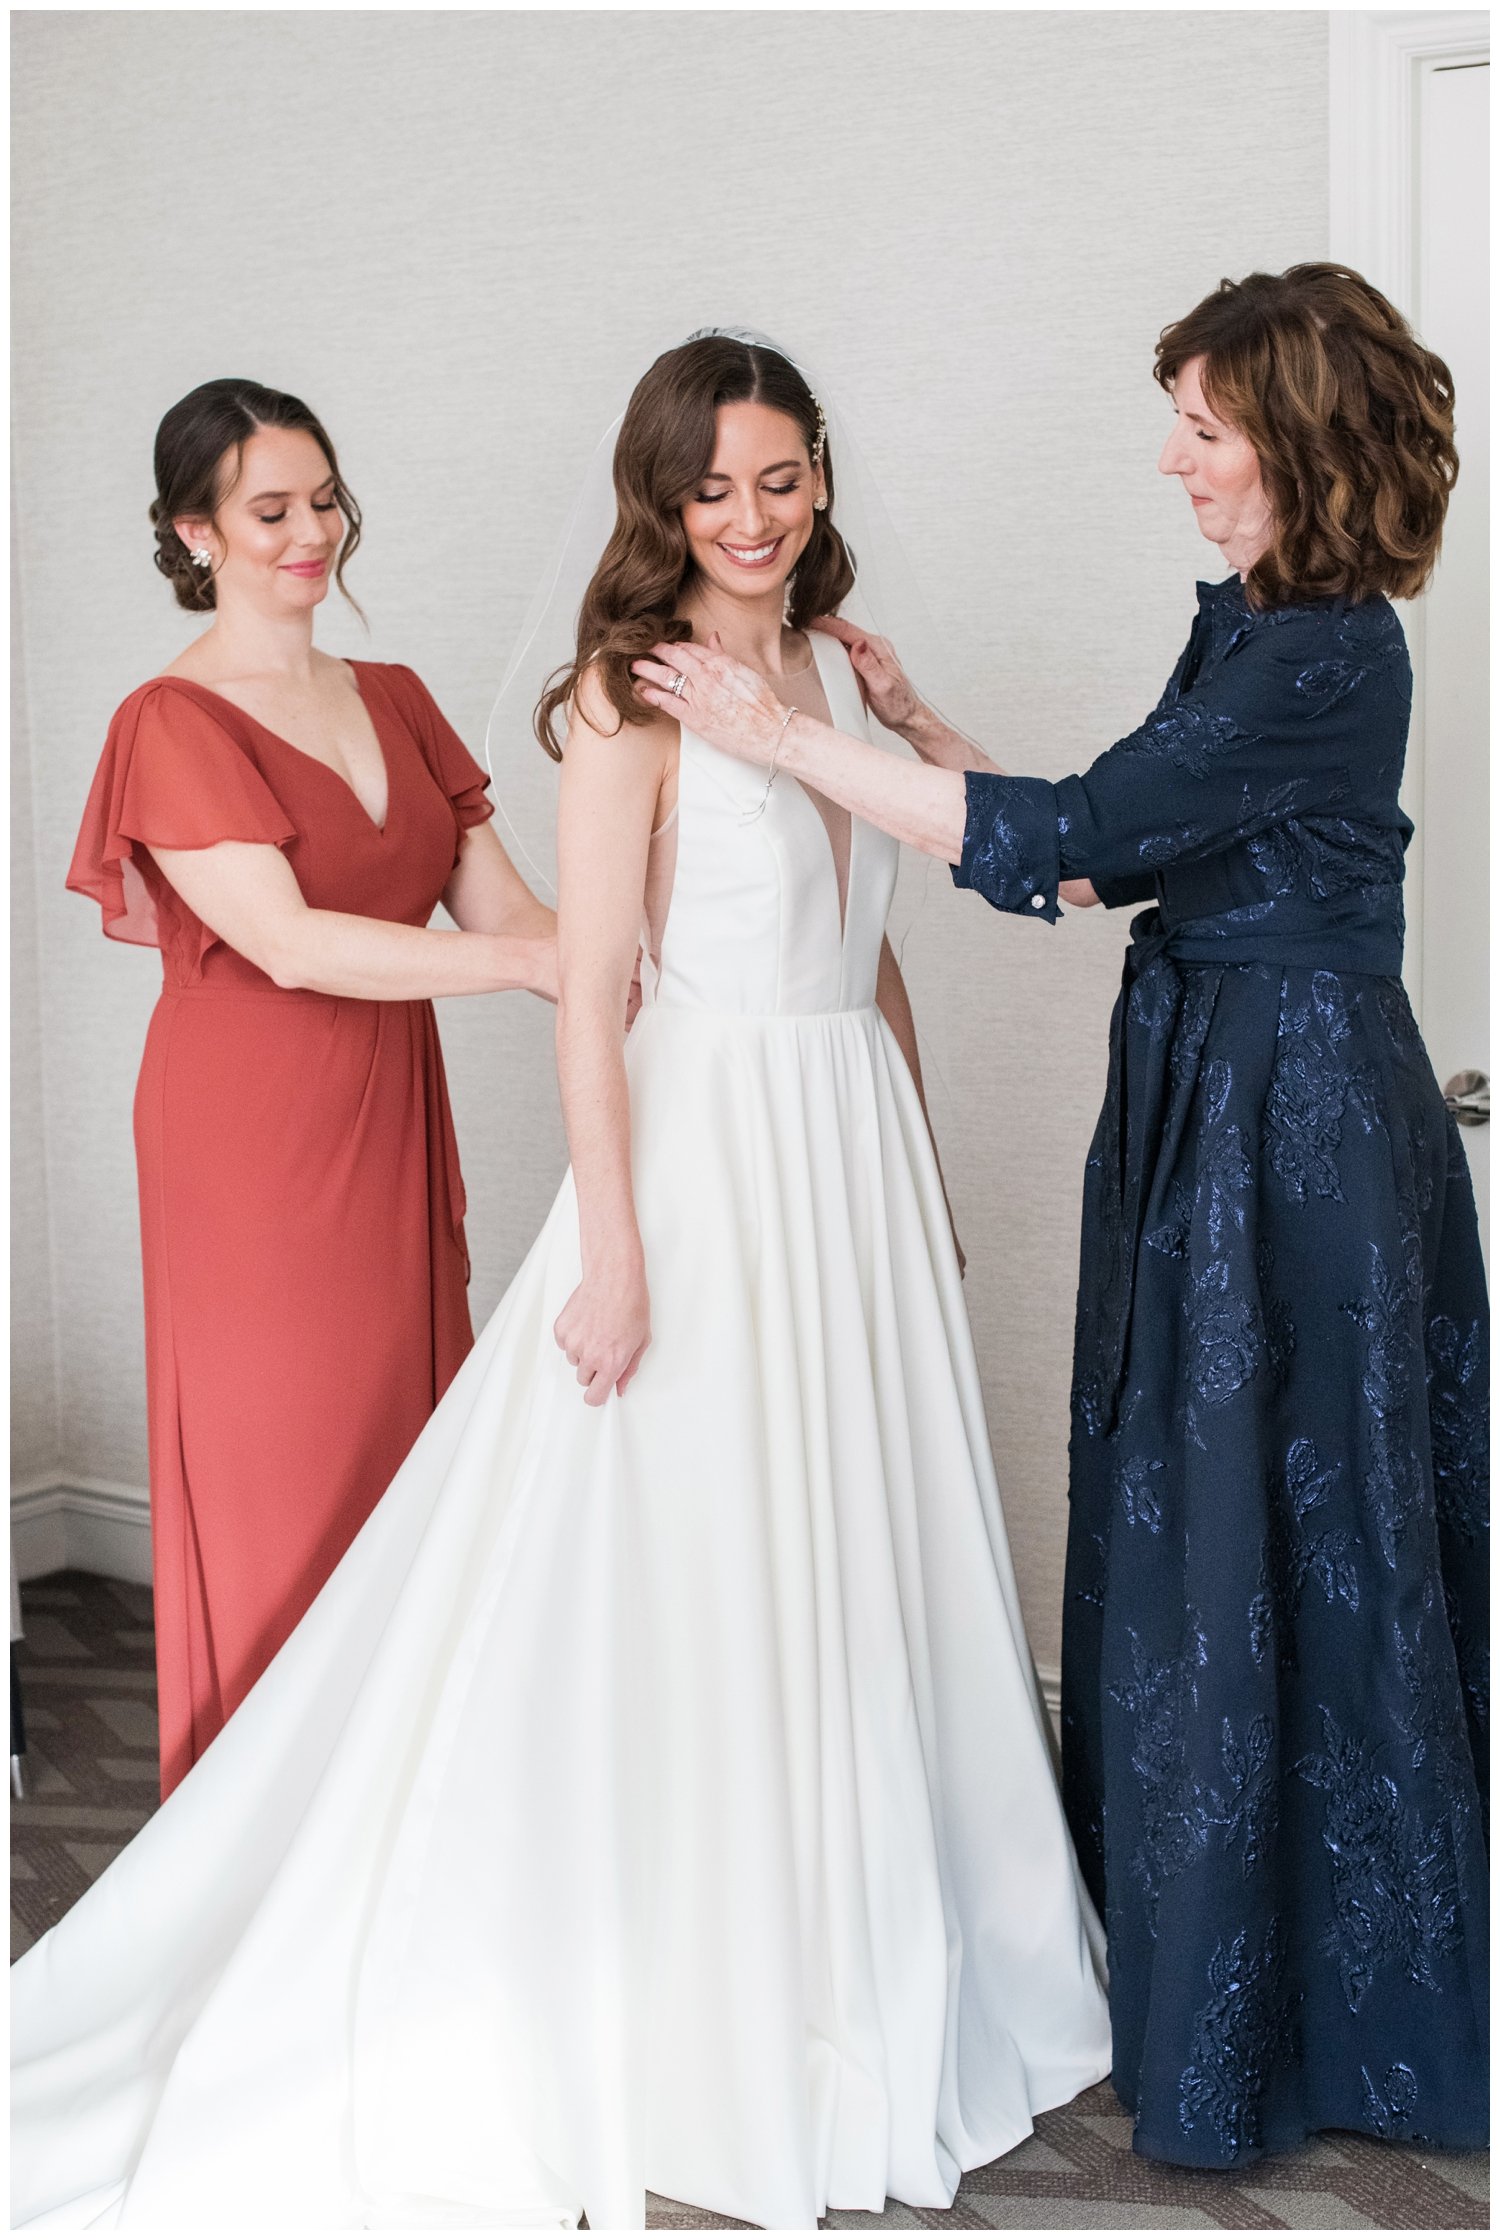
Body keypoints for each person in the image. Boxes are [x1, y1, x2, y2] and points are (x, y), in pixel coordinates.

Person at [13, 334, 1110, 2231]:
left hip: (839, 1144)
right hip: (699, 1152)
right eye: (714, 489)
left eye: (783, 479)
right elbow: (581, 985)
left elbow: (872, 952)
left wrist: (915, 1165)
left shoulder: (836, 669)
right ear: (660, 499)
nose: (752, 520)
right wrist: (611, 1244)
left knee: (847, 1545)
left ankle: (864, 1924)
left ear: (824, 477)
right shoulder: (629, 698)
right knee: (681, 1554)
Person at [634, 269, 1489, 2166]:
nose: (1174, 457)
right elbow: (1119, 847)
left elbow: (1080, 835)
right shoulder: (1267, 629)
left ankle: (1328, 2038)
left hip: (1296, 1123)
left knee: (1288, 1536)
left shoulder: (1328, 651)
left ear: (1296, 435)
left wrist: (792, 745)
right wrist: (930, 731)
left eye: (1203, 425)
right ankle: (1215, 1990)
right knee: (1219, 1532)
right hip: (1235, 1088)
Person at [66, 379, 558, 1795]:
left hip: (390, 1116)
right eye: (271, 510)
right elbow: (283, 941)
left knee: (405, 1464)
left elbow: (510, 914)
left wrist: (646, 960)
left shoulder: (396, 700)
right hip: (251, 1147)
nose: (311, 534)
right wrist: (539, 973)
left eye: (325, 500)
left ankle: (392, 1825)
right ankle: (258, 1821)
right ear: (195, 533)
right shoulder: (169, 720)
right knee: (285, 1473)